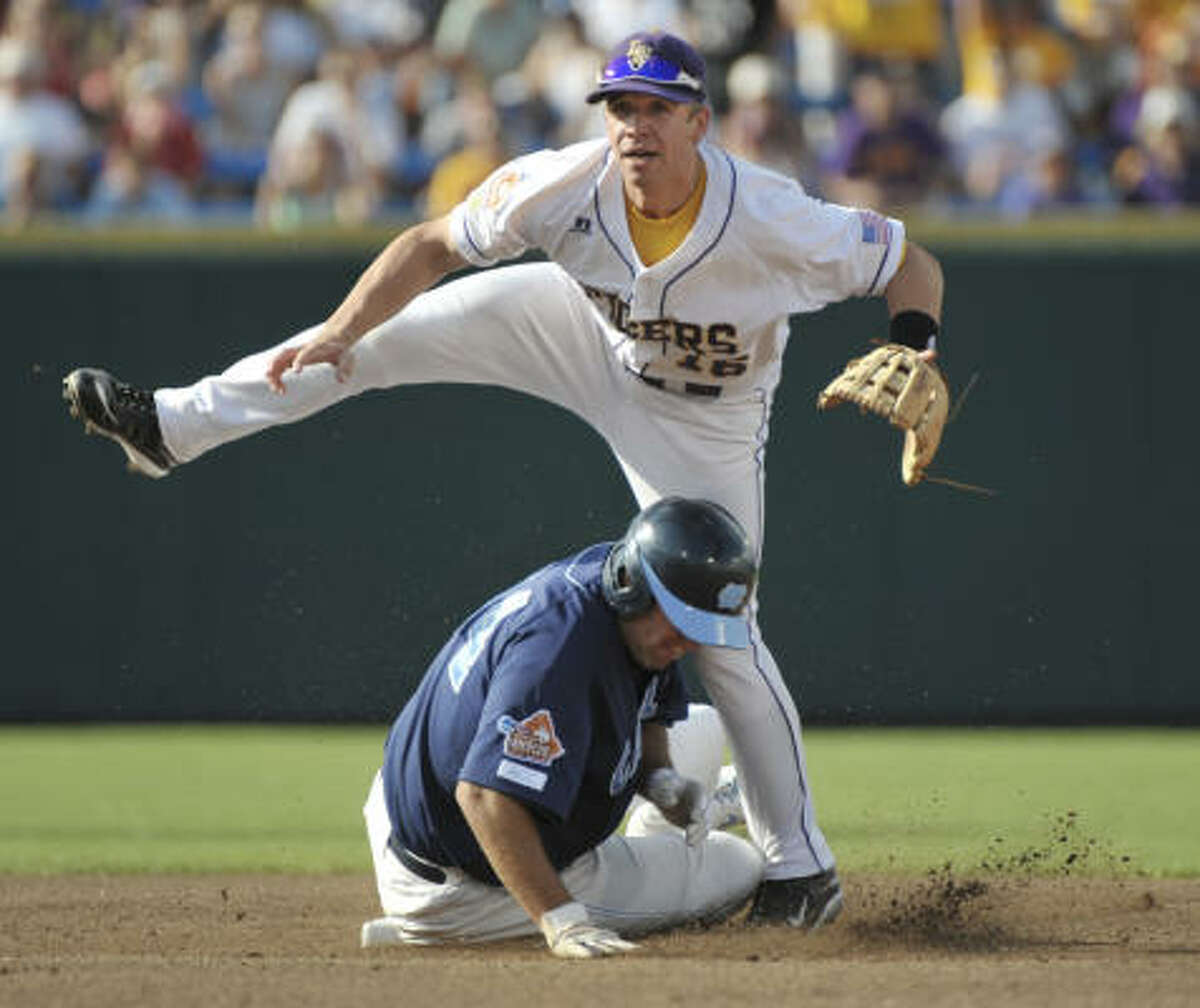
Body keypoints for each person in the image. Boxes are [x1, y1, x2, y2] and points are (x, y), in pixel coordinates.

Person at [63, 30, 945, 927]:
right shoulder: (564, 182)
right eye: (622, 107)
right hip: (577, 329)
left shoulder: (769, 213)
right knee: (368, 342)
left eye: (657, 108)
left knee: (723, 632)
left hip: (703, 414)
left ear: (699, 121)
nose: (635, 126)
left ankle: (801, 868)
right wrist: (340, 325)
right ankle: (172, 428)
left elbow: (913, 263)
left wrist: (916, 344)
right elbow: (432, 243)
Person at [361, 497, 764, 955]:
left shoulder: (616, 590)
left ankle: (673, 832)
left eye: (704, 627)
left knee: (705, 726)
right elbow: (482, 797)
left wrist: (660, 780)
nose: (690, 641)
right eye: (682, 621)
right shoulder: (557, 654)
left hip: (414, 804)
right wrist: (561, 920)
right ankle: (446, 928)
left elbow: (646, 705)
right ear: (631, 584)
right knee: (739, 865)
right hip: (463, 878)